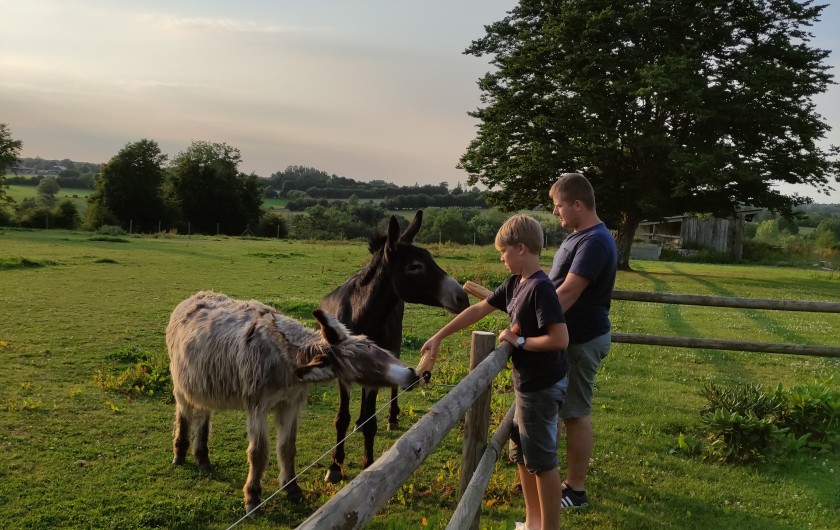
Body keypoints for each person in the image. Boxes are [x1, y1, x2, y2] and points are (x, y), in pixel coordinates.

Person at [421, 214, 568, 530]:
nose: (501, 258)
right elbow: (479, 309)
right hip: (527, 385)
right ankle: (533, 522)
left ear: (521, 248)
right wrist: (439, 336)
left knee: (542, 463)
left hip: (542, 387)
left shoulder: (541, 288)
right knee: (523, 456)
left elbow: (559, 338)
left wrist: (520, 341)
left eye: (504, 252)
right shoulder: (515, 284)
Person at [548, 172, 618, 510]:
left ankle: (575, 491)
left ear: (578, 204)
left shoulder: (594, 242)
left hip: (581, 340)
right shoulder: (579, 237)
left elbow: (569, 292)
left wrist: (531, 323)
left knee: (575, 414)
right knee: (564, 410)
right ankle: (554, 478)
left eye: (558, 205)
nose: (554, 212)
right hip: (569, 339)